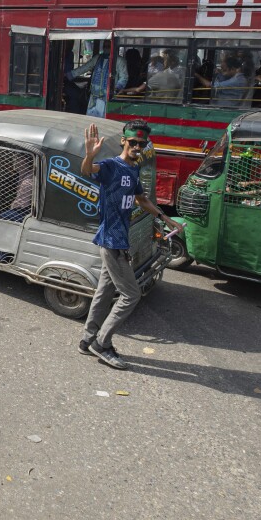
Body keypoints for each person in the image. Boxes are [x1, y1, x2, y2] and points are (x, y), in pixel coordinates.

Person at [78, 122, 182, 370]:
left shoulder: (133, 169)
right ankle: (102, 344)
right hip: (111, 241)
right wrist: (91, 154)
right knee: (131, 295)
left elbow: (142, 199)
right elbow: (86, 170)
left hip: (121, 239)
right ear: (123, 141)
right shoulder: (111, 166)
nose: (137, 147)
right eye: (132, 142)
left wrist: (164, 218)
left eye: (141, 143)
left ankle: (87, 339)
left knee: (104, 290)